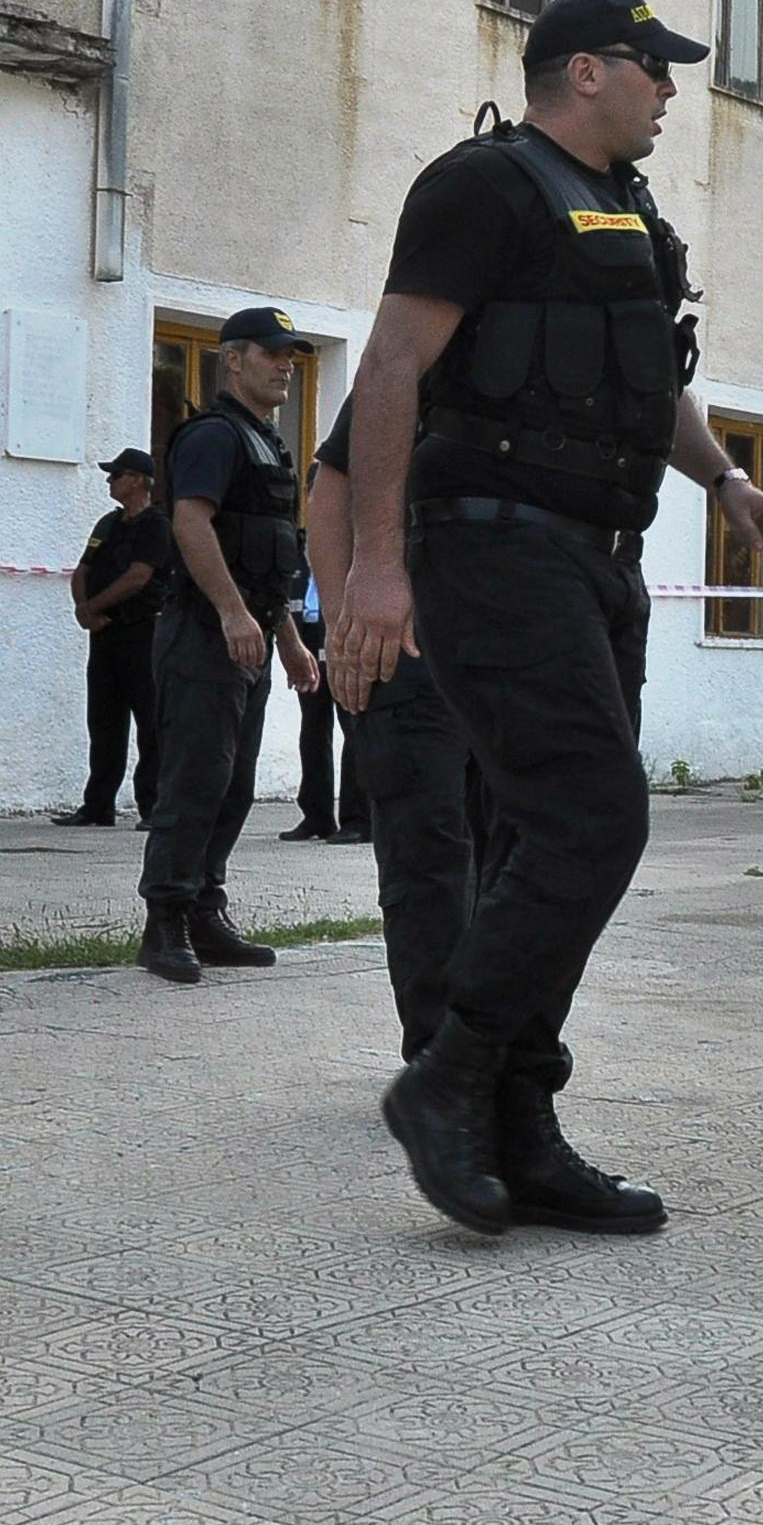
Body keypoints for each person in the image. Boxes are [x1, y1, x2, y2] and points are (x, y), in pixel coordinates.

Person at [330, 0, 763, 1238]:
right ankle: (445, 1079)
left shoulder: (633, 210)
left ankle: (519, 1126)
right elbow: (388, 368)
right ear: (584, 72)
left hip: (602, 559)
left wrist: (731, 481)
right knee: (594, 816)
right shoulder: (485, 184)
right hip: (493, 548)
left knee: (544, 838)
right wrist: (377, 565)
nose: (671, 89)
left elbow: (648, 383)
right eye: (654, 66)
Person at [140, 307, 320, 982]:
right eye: (272, 354)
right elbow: (191, 524)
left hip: (246, 638)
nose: (285, 365)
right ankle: (163, 923)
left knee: (232, 785)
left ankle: (204, 912)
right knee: (194, 781)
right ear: (233, 360)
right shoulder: (214, 436)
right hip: (202, 635)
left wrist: (289, 638)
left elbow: (263, 558)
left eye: (292, 357)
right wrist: (229, 613)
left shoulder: (265, 442)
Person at [310, 389, 491, 1060]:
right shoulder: (411, 366)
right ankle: (440, 1057)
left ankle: (495, 1047)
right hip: (410, 651)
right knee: (429, 860)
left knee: (509, 856)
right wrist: (341, 626)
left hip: (511, 654)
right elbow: (331, 488)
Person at [54, 447, 170, 828]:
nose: (109, 480)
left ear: (138, 480)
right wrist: (84, 608)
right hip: (105, 634)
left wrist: (95, 607)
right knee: (103, 720)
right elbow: (83, 568)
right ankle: (98, 804)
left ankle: (152, 806)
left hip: (142, 632)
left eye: (116, 474)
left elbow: (139, 576)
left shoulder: (156, 525)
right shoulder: (108, 523)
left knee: (150, 721)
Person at [278, 554, 368, 845]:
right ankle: (316, 815)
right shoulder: (299, 561)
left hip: (344, 648)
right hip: (309, 645)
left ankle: (358, 818)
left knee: (353, 731)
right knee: (313, 731)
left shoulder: (348, 556)